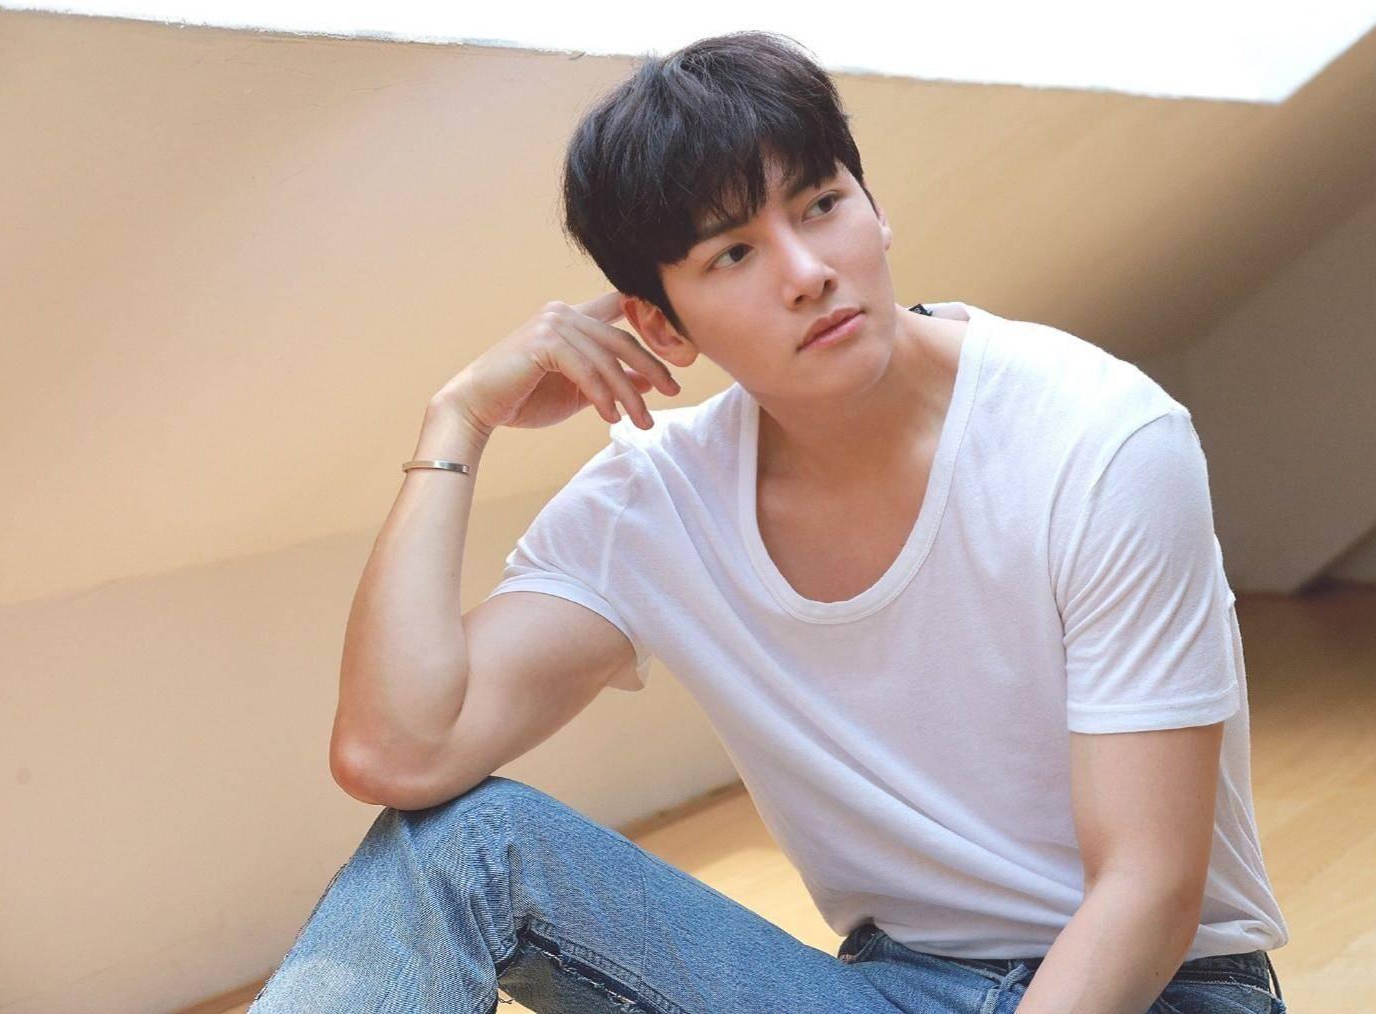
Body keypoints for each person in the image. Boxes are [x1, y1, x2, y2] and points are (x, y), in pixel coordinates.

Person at [250, 29, 1289, 1014]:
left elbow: (1149, 889)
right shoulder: (658, 500)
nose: (806, 273)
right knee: (463, 847)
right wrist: (459, 420)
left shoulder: (1098, 439)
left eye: (822, 205)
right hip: (892, 987)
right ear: (659, 324)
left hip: (1159, 990)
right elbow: (401, 754)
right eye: (732, 255)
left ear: (874, 207)